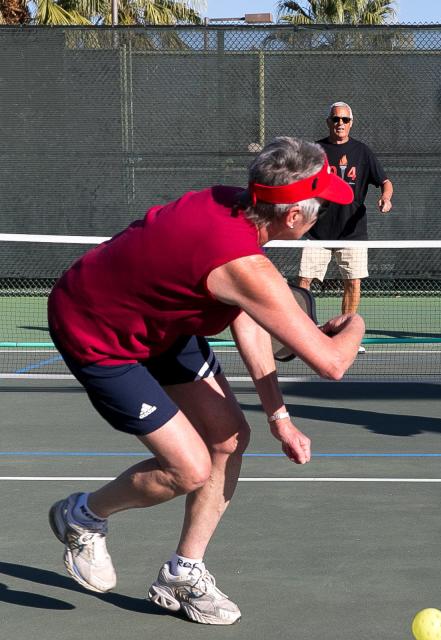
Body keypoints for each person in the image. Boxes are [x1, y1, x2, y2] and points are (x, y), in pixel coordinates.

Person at [46, 137, 363, 624]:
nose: (324, 213)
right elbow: (331, 363)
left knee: (231, 437)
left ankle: (182, 573)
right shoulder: (242, 263)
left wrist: (278, 416)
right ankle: (83, 516)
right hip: (98, 332)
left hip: (162, 325)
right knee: (190, 469)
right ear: (294, 217)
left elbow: (246, 316)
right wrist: (354, 322)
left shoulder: (236, 207)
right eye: (320, 205)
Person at [298, 101, 393, 353]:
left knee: (352, 282)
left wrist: (386, 197)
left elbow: (385, 181)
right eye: (335, 119)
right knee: (303, 281)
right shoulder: (315, 151)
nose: (340, 123)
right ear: (328, 122)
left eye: (345, 120)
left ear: (352, 123)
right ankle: (302, 333)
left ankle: (346, 335)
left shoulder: (362, 152)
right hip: (316, 231)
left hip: (353, 232)